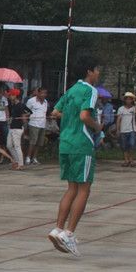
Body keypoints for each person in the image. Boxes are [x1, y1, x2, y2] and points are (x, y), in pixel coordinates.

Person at [48, 59, 102, 256]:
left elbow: (55, 112)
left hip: (65, 143)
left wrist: (69, 118)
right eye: (97, 70)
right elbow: (84, 116)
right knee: (84, 189)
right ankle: (69, 233)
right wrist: (98, 127)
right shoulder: (90, 90)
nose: (99, 74)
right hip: (81, 144)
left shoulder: (71, 90)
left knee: (72, 188)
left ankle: (58, 229)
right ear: (89, 71)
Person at [24, 86, 50, 165]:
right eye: (42, 93)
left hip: (42, 124)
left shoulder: (45, 102)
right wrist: (25, 123)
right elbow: (25, 112)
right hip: (33, 124)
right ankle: (28, 157)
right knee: (32, 142)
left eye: (45, 93)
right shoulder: (31, 101)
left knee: (39, 143)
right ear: (38, 93)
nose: (43, 95)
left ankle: (34, 158)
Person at [115, 92, 136, 169]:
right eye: (127, 99)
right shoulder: (121, 109)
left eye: (130, 99)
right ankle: (126, 160)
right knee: (124, 146)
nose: (128, 101)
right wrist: (118, 129)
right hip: (123, 130)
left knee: (132, 144)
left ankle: (131, 160)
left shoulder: (133, 108)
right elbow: (118, 119)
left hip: (132, 129)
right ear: (125, 100)